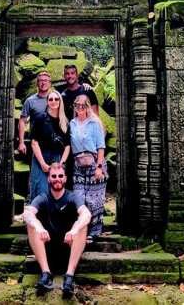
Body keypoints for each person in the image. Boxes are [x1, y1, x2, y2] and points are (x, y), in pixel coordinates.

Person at [24, 162, 91, 297]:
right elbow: (27, 213)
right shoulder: (43, 197)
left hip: (68, 247)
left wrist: (74, 230)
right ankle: (46, 274)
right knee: (31, 224)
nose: (57, 179)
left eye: (60, 176)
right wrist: (39, 227)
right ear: (49, 179)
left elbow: (86, 214)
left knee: (82, 225)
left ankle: (69, 277)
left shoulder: (72, 197)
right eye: (53, 176)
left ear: (65, 178)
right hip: (47, 249)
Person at [69, 94, 107, 240]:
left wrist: (99, 167)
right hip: (78, 165)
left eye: (83, 105)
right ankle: (81, 230)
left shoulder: (94, 123)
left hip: (94, 164)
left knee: (94, 200)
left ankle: (94, 232)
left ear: (88, 107)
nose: (80, 108)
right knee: (79, 198)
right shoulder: (72, 123)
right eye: (77, 105)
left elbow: (101, 147)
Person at [29, 90, 71, 201]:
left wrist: (62, 163)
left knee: (56, 189)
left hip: (57, 158)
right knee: (40, 190)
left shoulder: (65, 122)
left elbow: (67, 146)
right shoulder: (40, 118)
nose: (53, 101)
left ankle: (52, 217)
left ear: (60, 101)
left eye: (56, 99)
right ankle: (35, 216)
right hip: (40, 157)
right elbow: (34, 142)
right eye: (50, 99)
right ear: (47, 102)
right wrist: (42, 163)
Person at [18, 71, 52, 154]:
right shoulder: (30, 101)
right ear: (37, 83)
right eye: (41, 80)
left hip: (52, 142)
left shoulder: (55, 99)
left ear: (50, 83)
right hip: (35, 142)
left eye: (45, 80)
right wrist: (21, 142)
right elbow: (22, 121)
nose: (43, 83)